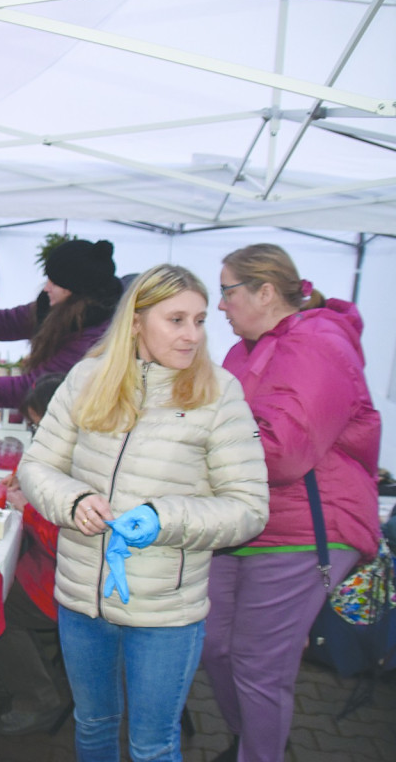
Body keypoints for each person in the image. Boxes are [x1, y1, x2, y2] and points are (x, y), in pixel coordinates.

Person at [17, 264, 269, 762]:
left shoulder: (220, 395)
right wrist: (73, 501)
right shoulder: (88, 377)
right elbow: (38, 465)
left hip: (165, 612)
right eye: (176, 320)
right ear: (136, 322)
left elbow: (249, 508)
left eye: (199, 321)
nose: (191, 334)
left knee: (152, 745)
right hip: (81, 601)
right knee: (92, 725)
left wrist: (164, 518)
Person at [201, 244, 381, 762]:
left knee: (259, 664)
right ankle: (252, 739)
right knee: (213, 645)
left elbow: (280, 453)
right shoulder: (246, 349)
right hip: (247, 521)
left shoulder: (317, 342)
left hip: (307, 525)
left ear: (263, 291)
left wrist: (195, 441)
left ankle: (261, 752)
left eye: (226, 291)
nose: (220, 306)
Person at [0, 238, 122, 411]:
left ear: (74, 289)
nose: (46, 288)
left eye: (54, 282)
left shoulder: (93, 337)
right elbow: (9, 321)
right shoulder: (57, 308)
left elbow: (36, 385)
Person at [0, 372, 66, 736]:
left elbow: (64, 540)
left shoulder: (82, 461)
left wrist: (26, 508)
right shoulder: (70, 450)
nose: (36, 434)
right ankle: (34, 675)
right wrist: (25, 479)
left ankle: (38, 698)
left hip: (61, 583)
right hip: (45, 572)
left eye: (38, 426)